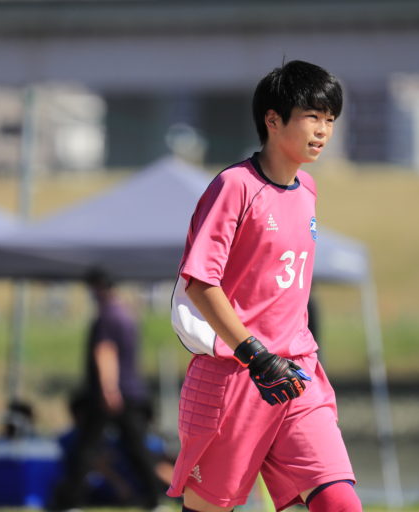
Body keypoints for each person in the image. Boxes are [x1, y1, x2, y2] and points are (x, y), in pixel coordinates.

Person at [169, 60, 361, 512]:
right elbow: (200, 282)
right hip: (235, 377)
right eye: (312, 117)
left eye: (330, 119)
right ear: (273, 120)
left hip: (297, 376)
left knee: (341, 503)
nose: (323, 130)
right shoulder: (234, 186)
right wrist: (255, 355)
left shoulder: (308, 189)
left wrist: (279, 360)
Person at [51, 268, 162, 510]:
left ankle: (70, 502)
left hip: (110, 393)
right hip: (130, 391)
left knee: (87, 448)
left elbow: (105, 352)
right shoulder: (126, 314)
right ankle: (154, 499)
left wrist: (109, 389)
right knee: (136, 448)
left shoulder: (107, 317)